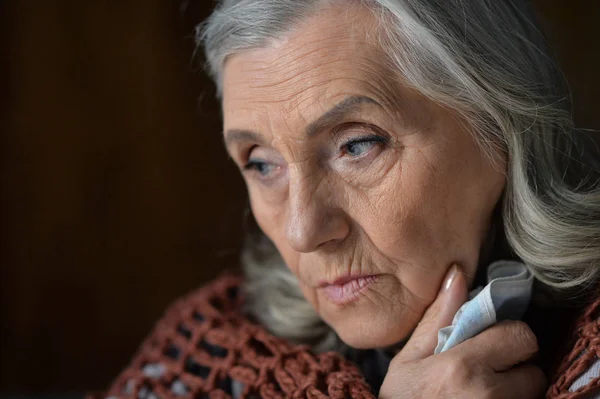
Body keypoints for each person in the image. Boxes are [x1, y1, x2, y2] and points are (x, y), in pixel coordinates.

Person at [94, 1, 600, 398]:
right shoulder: (204, 358)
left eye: (357, 145)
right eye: (262, 163)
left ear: (501, 130)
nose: (302, 231)